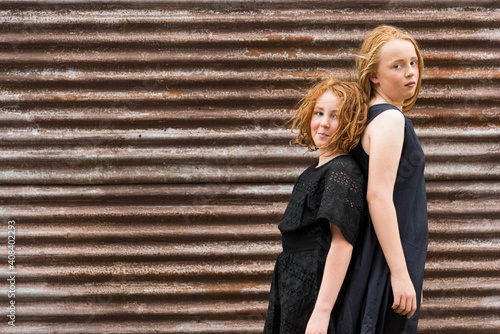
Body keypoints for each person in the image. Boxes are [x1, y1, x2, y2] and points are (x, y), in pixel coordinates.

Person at [335, 25, 429, 333]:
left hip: (378, 257)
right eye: (397, 66)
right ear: (374, 75)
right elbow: (378, 196)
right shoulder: (390, 118)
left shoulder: (371, 116)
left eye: (413, 63)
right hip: (385, 261)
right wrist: (400, 273)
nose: (410, 73)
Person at [263, 78, 368, 334]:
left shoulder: (342, 172)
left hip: (313, 288)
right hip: (291, 285)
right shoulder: (313, 171)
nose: (323, 123)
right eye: (319, 113)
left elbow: (342, 244)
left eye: (336, 116)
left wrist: (321, 313)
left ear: (351, 124)